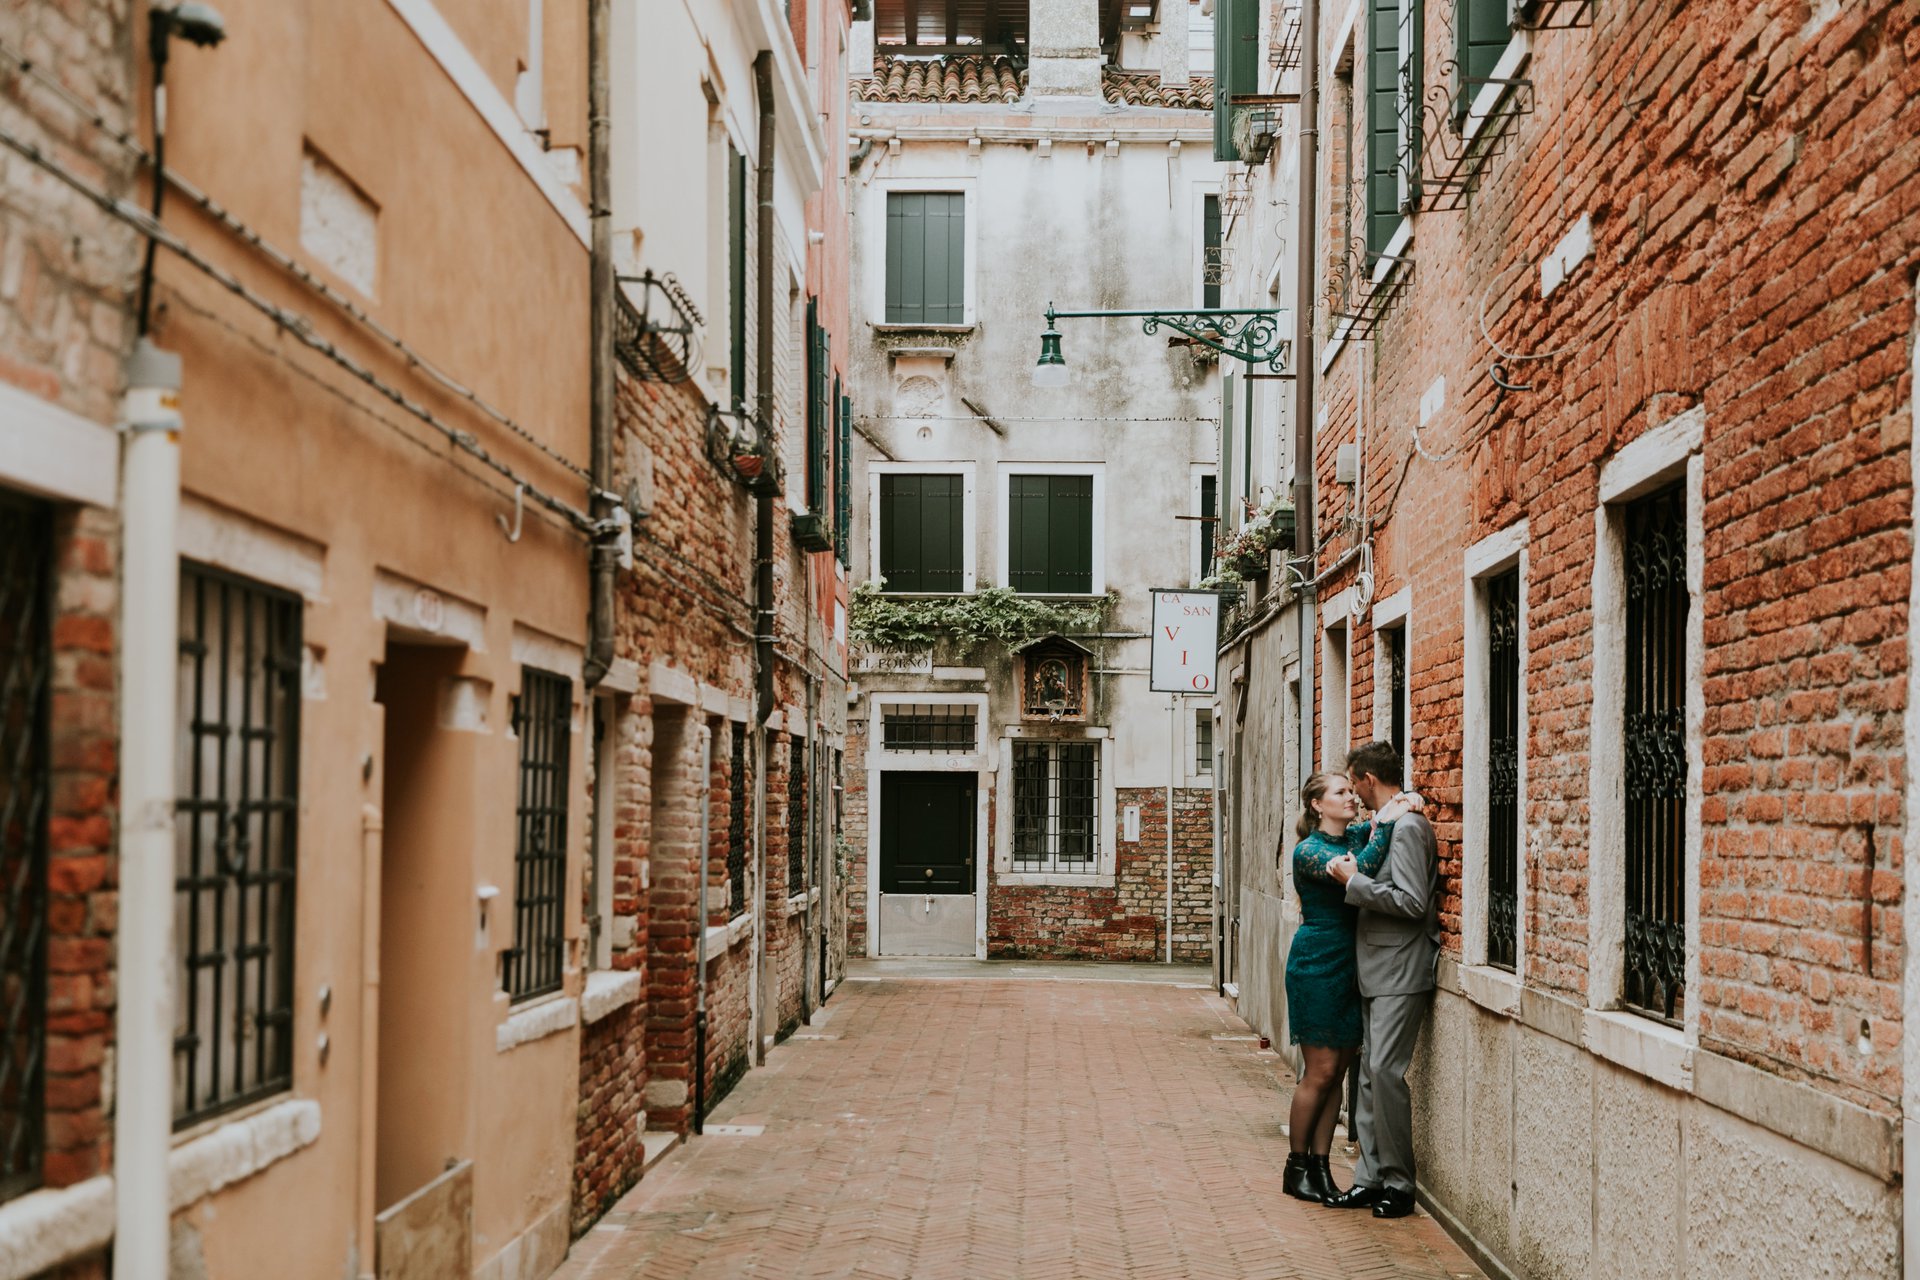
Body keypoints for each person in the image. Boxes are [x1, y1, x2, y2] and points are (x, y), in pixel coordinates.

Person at [1280, 772, 1422, 1205]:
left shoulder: (1353, 835)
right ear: (1317, 805)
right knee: (1319, 1074)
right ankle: (1296, 1166)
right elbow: (1369, 857)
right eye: (1340, 793)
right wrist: (1395, 813)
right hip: (1317, 963)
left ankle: (1321, 1169)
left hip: (1351, 964)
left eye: (1350, 790)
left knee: (1339, 1073)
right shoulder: (1310, 851)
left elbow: (1374, 831)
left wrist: (1400, 804)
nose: (1351, 798)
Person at [1324, 740, 1440, 1220]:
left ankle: (1399, 1183)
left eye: (1355, 785)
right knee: (1370, 1076)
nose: (1354, 794)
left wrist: (1354, 884)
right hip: (1375, 968)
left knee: (1386, 1075)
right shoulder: (1389, 820)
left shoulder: (1409, 828)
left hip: (1400, 970)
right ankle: (1370, 1178)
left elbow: (1413, 902)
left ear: (1369, 780)